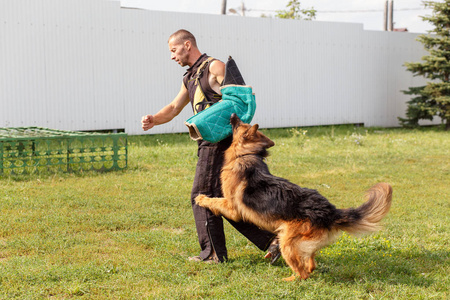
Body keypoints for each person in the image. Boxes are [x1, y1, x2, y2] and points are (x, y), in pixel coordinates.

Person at [141, 29, 279, 263]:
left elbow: (239, 102)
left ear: (187, 45)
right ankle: (273, 240)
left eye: (173, 50)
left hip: (220, 143)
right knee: (219, 199)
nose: (172, 56)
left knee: (201, 195)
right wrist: (154, 119)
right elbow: (174, 107)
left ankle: (213, 255)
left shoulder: (214, 67)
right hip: (208, 143)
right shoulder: (190, 77)